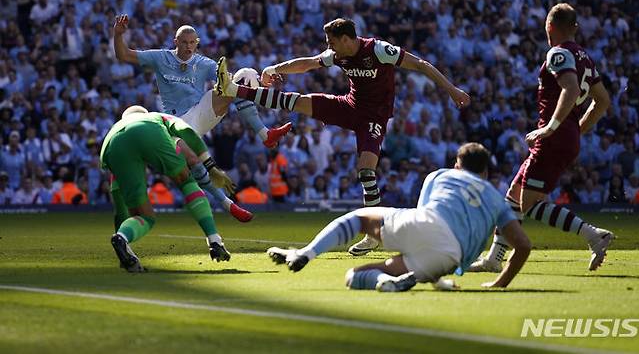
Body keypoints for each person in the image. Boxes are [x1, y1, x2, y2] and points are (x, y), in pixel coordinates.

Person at [216, 17, 470, 255]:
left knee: (366, 171)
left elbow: (421, 65)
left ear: (348, 39)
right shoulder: (338, 55)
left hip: (373, 117)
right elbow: (309, 63)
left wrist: (452, 90)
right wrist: (274, 68)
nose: (330, 47)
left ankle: (373, 233)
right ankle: (234, 89)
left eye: (332, 42)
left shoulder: (379, 50)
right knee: (297, 102)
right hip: (348, 106)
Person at [267, 143, 531, 292]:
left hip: (425, 225)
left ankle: (307, 253)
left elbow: (424, 216)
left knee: (359, 220)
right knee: (358, 275)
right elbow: (522, 245)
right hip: (449, 257)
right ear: (485, 171)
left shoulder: (442, 175)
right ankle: (388, 282)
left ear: (457, 165)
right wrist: (501, 282)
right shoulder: (497, 199)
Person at [471, 3, 614, 273]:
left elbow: (570, 89)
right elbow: (603, 101)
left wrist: (551, 128)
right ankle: (493, 259)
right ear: (575, 28)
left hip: (554, 136)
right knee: (513, 195)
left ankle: (594, 235)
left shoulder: (557, 54)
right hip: (565, 135)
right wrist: (577, 130)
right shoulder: (585, 58)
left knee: (530, 205)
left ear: (549, 27)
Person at [112, 14, 291, 218]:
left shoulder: (203, 63)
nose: (189, 47)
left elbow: (230, 83)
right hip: (175, 123)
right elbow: (123, 55)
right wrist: (118, 35)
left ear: (197, 43)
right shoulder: (161, 57)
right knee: (194, 166)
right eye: (184, 42)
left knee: (245, 75)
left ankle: (265, 134)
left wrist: (262, 81)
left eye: (192, 43)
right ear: (175, 42)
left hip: (201, 113)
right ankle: (228, 205)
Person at [100, 105, 236, 272]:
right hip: (149, 131)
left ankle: (122, 239)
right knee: (185, 181)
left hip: (111, 146)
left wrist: (122, 238)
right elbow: (186, 131)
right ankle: (215, 241)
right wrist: (211, 166)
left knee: (143, 215)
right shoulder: (155, 117)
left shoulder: (114, 129)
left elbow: (117, 195)